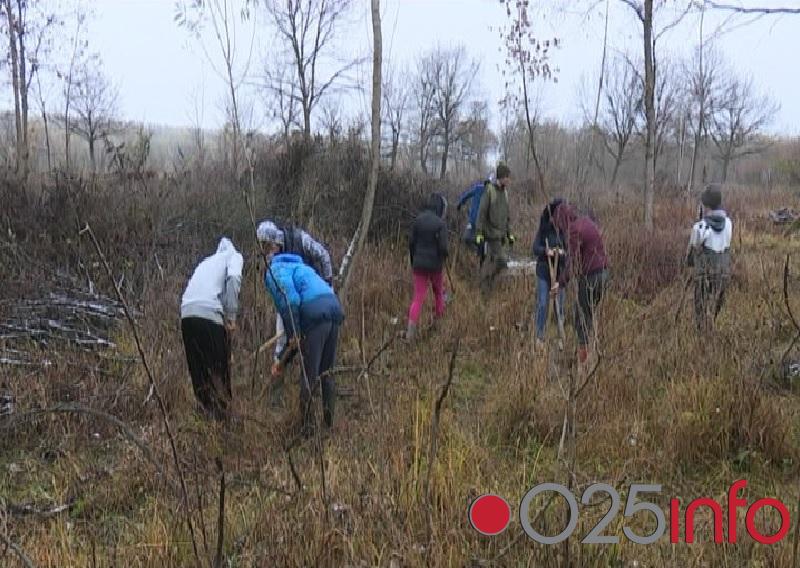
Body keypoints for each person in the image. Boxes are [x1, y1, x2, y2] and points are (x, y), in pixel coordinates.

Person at [263, 243, 344, 434]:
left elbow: (289, 303)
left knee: (309, 376)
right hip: (333, 308)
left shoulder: (274, 271)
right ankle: (328, 426)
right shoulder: (301, 267)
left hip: (314, 314)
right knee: (327, 372)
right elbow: (295, 338)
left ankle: (306, 430)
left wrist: (291, 339)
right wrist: (284, 358)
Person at [180, 237, 243, 420]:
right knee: (219, 371)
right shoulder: (234, 256)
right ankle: (225, 420)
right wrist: (231, 317)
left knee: (198, 372)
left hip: (186, 314)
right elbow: (234, 278)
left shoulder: (206, 262)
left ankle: (206, 418)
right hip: (208, 314)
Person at [256, 220, 334, 366]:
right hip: (290, 300)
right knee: (283, 336)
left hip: (312, 294)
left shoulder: (300, 239)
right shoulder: (270, 257)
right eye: (263, 247)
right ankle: (279, 368)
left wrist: (328, 284)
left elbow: (323, 255)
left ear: (274, 242)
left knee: (311, 339)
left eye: (267, 246)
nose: (266, 251)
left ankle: (310, 369)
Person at [552, 203, 609, 365]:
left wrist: (560, 283)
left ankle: (583, 362)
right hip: (605, 275)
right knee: (589, 314)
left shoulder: (573, 231)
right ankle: (592, 354)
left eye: (559, 224)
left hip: (592, 278)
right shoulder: (587, 222)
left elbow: (574, 263)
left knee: (581, 317)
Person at [686, 184, 732, 332]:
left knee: (701, 305)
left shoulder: (701, 227)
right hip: (723, 272)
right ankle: (712, 326)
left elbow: (693, 249)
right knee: (715, 304)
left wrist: (698, 221)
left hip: (704, 275)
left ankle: (702, 333)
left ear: (705, 205)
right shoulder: (729, 224)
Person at [405, 192, 449, 341]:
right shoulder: (440, 223)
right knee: (438, 294)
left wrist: (414, 260)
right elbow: (443, 247)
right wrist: (444, 258)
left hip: (418, 265)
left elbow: (411, 243)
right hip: (435, 266)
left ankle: (410, 333)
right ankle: (438, 325)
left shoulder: (418, 220)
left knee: (418, 298)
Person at [475, 163, 515, 297]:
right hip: (491, 234)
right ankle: (485, 283)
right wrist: (479, 233)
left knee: (492, 262)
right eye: (507, 177)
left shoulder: (505, 193)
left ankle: (486, 287)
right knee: (502, 261)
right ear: (502, 177)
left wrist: (509, 234)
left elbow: (507, 216)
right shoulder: (489, 190)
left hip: (501, 235)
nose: (509, 180)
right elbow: (481, 213)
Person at [532, 199, 566, 347]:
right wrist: (546, 251)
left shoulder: (565, 230)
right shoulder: (544, 229)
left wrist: (562, 252)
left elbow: (570, 250)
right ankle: (539, 336)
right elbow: (535, 248)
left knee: (560, 305)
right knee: (543, 303)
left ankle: (560, 336)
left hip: (561, 273)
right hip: (544, 270)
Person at [456, 171, 493, 265]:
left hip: (481, 222)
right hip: (474, 220)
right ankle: (479, 251)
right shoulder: (479, 189)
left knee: (476, 240)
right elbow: (467, 195)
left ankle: (481, 257)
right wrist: (460, 203)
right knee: (467, 238)